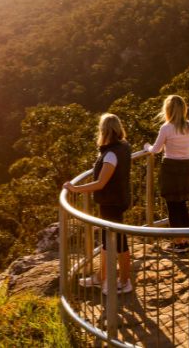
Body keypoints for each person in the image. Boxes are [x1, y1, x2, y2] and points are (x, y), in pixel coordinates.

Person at [63, 113, 132, 295]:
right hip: (115, 200)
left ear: (104, 131)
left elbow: (101, 183)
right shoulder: (123, 147)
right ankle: (100, 277)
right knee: (106, 243)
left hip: (112, 203)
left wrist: (75, 189)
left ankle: (125, 282)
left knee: (119, 244)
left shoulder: (111, 155)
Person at [144, 95, 189, 253]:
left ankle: (178, 243)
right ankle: (186, 240)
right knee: (183, 204)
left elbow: (156, 149)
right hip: (187, 167)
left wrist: (147, 147)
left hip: (171, 168)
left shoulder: (166, 128)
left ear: (168, 110)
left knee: (172, 206)